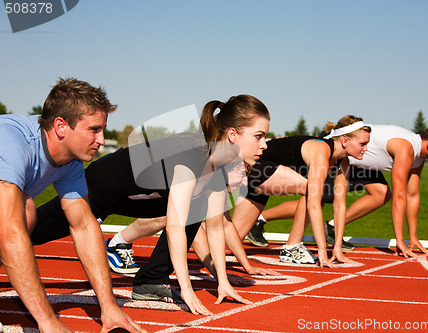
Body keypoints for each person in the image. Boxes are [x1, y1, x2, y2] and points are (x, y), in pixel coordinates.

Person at [32, 94, 272, 315]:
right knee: (32, 230)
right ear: (232, 134)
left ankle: (152, 280)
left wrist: (223, 280)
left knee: (194, 209)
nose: (265, 145)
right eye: (258, 136)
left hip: (141, 199)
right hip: (102, 187)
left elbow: (216, 228)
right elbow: (174, 228)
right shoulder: (192, 156)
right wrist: (186, 289)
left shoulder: (219, 170)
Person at [0, 78, 147, 332]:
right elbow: (9, 234)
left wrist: (109, 306)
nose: (101, 140)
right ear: (60, 126)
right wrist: (47, 321)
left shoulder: (70, 163)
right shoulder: (11, 143)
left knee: (25, 211)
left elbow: (83, 226)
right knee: (20, 213)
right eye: (94, 129)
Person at [249, 123, 428, 258]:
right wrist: (400, 242)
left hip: (362, 163)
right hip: (340, 153)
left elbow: (412, 196)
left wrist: (412, 237)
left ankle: (331, 227)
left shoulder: (419, 157)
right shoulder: (406, 148)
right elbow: (402, 195)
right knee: (317, 196)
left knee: (382, 193)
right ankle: (263, 220)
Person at [231, 116, 371, 267]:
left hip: (264, 174)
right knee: (313, 190)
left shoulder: (344, 163)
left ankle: (201, 231)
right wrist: (322, 250)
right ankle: (293, 246)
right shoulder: (322, 151)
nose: (366, 148)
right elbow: (313, 204)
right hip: (256, 166)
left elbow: (340, 204)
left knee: (231, 238)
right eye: (363, 144)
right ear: (345, 141)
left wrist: (337, 248)